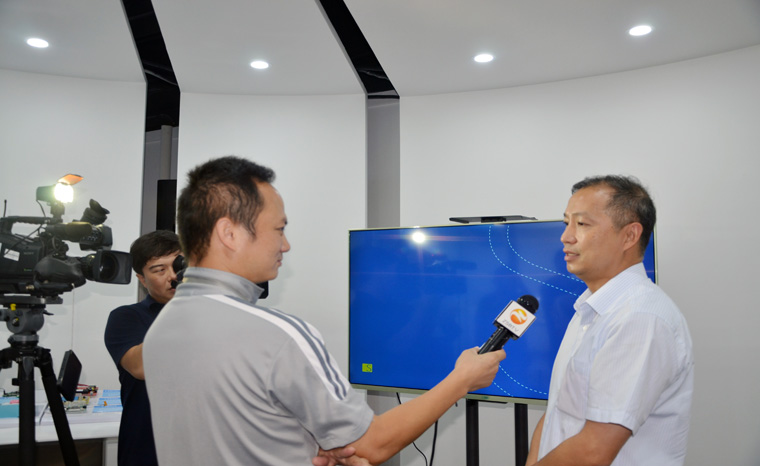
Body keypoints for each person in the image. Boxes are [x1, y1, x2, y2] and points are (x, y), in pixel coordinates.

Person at [142, 156, 505, 466]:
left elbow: (233, 431)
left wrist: (298, 447)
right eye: (278, 229)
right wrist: (462, 380)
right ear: (230, 233)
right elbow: (372, 444)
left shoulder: (162, 327)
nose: (286, 245)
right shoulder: (278, 335)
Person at [526, 176, 694, 466]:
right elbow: (557, 414)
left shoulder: (639, 318)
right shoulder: (590, 308)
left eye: (582, 224)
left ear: (629, 236)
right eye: (566, 223)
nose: (566, 237)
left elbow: (593, 451)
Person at [104, 230, 181, 466]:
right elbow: (141, 367)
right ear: (142, 279)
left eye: (179, 266)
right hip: (148, 448)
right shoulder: (126, 317)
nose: (173, 276)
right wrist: (187, 306)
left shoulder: (211, 314)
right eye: (159, 270)